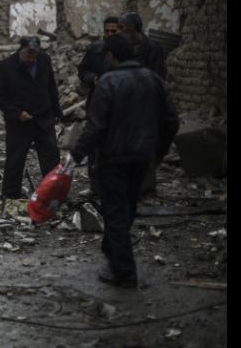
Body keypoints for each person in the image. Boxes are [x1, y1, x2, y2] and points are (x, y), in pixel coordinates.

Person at [69, 33, 179, 288]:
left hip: (114, 158)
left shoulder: (108, 82)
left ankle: (124, 272)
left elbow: (95, 126)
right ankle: (112, 250)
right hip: (143, 157)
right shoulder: (154, 80)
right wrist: (159, 152)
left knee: (116, 211)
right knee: (126, 207)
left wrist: (75, 155)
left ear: (110, 55)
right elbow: (172, 121)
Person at [0, 36, 62, 200]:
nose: (31, 59)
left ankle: (52, 195)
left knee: (50, 158)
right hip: (19, 123)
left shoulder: (44, 60)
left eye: (34, 55)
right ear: (20, 49)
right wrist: (16, 113)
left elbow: (51, 86)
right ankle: (11, 196)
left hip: (44, 117)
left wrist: (56, 111)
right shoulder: (5, 66)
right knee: (15, 160)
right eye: (28, 54)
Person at [117, 11, 168, 197]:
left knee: (146, 147)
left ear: (131, 29)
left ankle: (146, 189)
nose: (119, 32)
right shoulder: (126, 48)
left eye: (122, 28)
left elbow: (158, 79)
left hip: (147, 106)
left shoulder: (152, 49)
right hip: (129, 107)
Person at [77, 16, 120, 197]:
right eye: (107, 31)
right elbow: (82, 71)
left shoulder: (124, 51)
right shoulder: (95, 50)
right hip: (96, 103)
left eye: (113, 31)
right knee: (94, 146)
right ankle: (95, 186)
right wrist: (92, 78)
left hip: (118, 107)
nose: (109, 34)